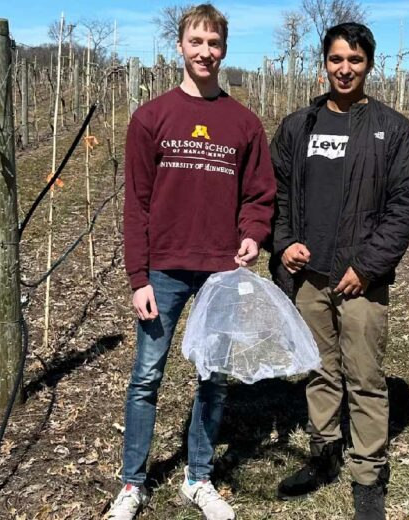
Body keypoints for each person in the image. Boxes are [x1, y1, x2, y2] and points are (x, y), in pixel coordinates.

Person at [107, 5, 275, 520]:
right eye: (196, 42)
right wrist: (139, 277)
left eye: (214, 43)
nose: (205, 52)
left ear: (225, 49)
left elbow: (260, 194)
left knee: (213, 375)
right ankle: (133, 483)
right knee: (146, 376)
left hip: (221, 271)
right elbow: (136, 203)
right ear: (179, 46)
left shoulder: (244, 123)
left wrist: (252, 234)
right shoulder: (151, 118)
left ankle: (198, 478)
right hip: (164, 268)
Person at [270, 22, 409, 520]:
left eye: (354, 60)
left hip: (361, 280)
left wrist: (368, 265)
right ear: (325, 63)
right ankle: (324, 451)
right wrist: (285, 243)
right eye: (337, 59)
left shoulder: (390, 128)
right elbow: (279, 195)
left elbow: (404, 205)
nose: (345, 68)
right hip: (310, 275)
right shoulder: (299, 126)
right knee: (318, 368)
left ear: (368, 65)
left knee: (365, 376)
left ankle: (368, 474)